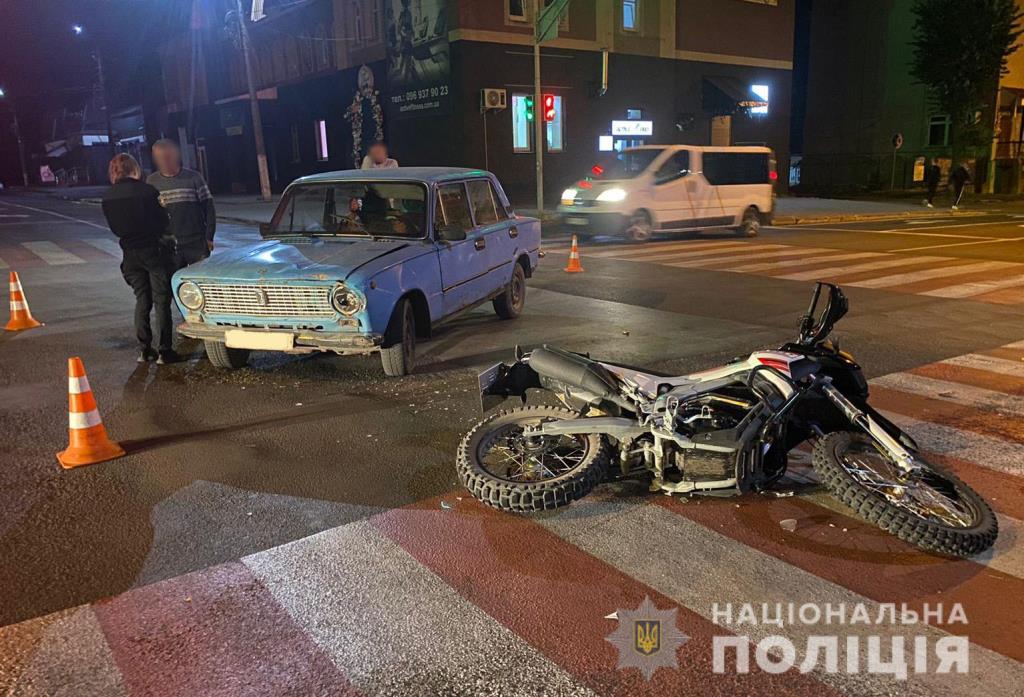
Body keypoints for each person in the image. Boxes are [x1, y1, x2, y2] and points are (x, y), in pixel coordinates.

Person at [101, 154, 179, 365]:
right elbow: (162, 221)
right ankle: (165, 350)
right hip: (153, 250)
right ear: (134, 168)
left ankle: (145, 349)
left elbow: (115, 228)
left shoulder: (108, 196)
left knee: (142, 300)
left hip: (129, 253)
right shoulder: (147, 191)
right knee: (161, 300)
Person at [147, 139, 216, 268]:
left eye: (168, 156)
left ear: (176, 156)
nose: (164, 161)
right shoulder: (151, 182)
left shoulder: (194, 178)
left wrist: (209, 237)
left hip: (196, 242)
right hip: (169, 245)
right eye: (159, 157)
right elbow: (149, 215)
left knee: (199, 276)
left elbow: (208, 208)